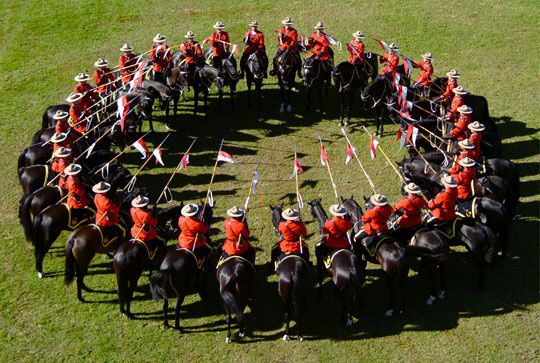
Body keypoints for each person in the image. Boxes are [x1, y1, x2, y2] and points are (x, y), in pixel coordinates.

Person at [315, 204, 353, 269]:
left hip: (331, 243)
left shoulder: (329, 222)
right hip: (343, 243)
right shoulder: (346, 222)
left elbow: (324, 231)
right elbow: (350, 227)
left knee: (318, 248)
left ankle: (320, 266)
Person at [177, 204, 211, 270]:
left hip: (183, 239)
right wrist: (204, 223)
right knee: (208, 249)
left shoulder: (180, 219)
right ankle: (205, 265)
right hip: (193, 241)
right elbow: (205, 230)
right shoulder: (197, 223)